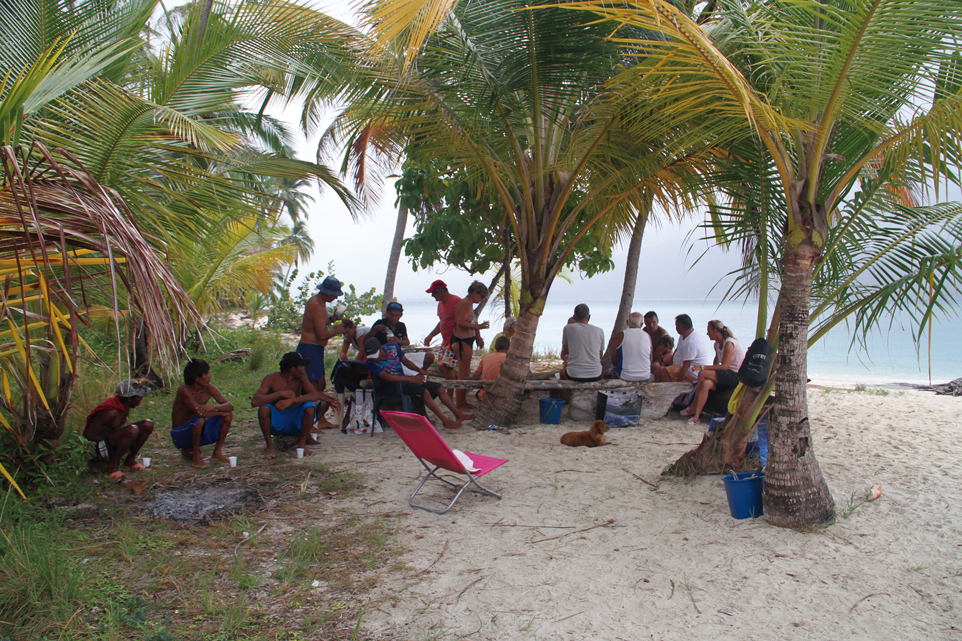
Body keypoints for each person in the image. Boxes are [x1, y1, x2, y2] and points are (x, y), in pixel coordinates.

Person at [363, 337, 472, 430]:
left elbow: (406, 361)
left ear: (381, 348)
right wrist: (410, 379)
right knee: (423, 392)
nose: (374, 358)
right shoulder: (369, 363)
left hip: (405, 381)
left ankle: (458, 415)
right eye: (372, 356)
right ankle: (445, 420)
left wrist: (419, 370)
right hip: (392, 387)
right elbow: (386, 377)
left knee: (439, 387)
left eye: (375, 355)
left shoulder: (393, 347)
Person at [252, 352, 339, 459]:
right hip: (279, 419)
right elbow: (255, 402)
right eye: (301, 366)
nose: (303, 368)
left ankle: (302, 444)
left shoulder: (302, 376)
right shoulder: (271, 378)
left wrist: (292, 400)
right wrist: (279, 394)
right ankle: (270, 446)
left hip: (295, 418)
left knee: (309, 406)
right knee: (263, 409)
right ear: (293, 369)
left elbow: (313, 394)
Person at [297, 275, 346, 429]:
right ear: (327, 292)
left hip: (316, 349)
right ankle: (309, 421)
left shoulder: (321, 303)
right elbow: (322, 335)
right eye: (334, 295)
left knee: (321, 384)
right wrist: (338, 330)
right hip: (309, 348)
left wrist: (333, 319)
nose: (335, 298)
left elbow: (321, 323)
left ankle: (321, 419)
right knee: (311, 386)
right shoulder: (316, 304)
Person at [83, 380, 154, 482]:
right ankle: (111, 467)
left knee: (148, 424)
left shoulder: (125, 405)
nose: (141, 399)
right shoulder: (111, 412)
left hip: (110, 441)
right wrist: (117, 439)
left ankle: (130, 461)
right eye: (139, 397)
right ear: (129, 399)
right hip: (98, 447)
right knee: (132, 430)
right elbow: (88, 435)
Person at [169, 359, 233, 468]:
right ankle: (196, 457)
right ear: (197, 378)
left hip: (197, 429)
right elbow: (198, 412)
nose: (209, 376)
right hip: (181, 434)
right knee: (200, 420)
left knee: (228, 416)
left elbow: (230, 406)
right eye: (206, 374)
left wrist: (214, 407)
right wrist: (220, 413)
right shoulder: (184, 390)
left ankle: (217, 452)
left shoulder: (209, 389)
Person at [684, 320, 747, 425]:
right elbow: (716, 361)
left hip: (734, 375)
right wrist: (710, 371)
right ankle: (696, 417)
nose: (707, 333)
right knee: (706, 383)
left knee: (702, 373)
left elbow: (724, 366)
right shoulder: (717, 345)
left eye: (708, 330)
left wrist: (702, 367)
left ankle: (693, 405)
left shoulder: (729, 343)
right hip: (725, 374)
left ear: (715, 330)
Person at [451, 281, 490, 410]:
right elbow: (461, 322)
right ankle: (460, 404)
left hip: (466, 340)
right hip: (461, 341)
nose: (482, 299)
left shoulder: (469, 304)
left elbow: (472, 321)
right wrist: (478, 327)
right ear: (475, 292)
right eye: (482, 296)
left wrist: (478, 336)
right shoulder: (466, 304)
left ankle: (462, 402)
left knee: (465, 372)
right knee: (463, 374)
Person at [654, 314, 713, 382]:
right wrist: (671, 362)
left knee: (664, 371)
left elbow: (687, 365)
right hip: (680, 366)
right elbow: (677, 349)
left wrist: (678, 383)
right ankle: (659, 391)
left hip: (693, 372)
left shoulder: (691, 342)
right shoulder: (683, 335)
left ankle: (671, 391)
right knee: (657, 371)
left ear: (680, 327)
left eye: (676, 326)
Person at [424, 280, 461, 380]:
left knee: (447, 367)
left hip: (454, 339)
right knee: (441, 367)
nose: (432, 296)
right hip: (445, 341)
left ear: (441, 291)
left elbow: (471, 316)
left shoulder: (457, 301)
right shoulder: (440, 304)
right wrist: (430, 335)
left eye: (433, 293)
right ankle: (461, 379)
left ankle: (450, 394)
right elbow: (442, 322)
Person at [561, 304, 605, 382]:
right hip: (596, 374)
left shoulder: (568, 328)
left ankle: (568, 394)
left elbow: (566, 351)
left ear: (574, 317)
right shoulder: (599, 331)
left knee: (562, 373)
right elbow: (600, 356)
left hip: (574, 374)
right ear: (589, 317)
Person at [608, 312, 652, 382]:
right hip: (645, 375)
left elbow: (614, 360)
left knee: (606, 373)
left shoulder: (621, 335)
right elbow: (650, 358)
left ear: (627, 322)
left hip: (625, 376)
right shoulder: (647, 336)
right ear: (641, 324)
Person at [473, 335, 510, 400]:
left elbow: (474, 377)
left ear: (495, 347)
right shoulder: (508, 359)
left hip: (484, 395)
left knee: (478, 393)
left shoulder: (485, 358)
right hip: (503, 395)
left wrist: (485, 379)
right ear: (508, 348)